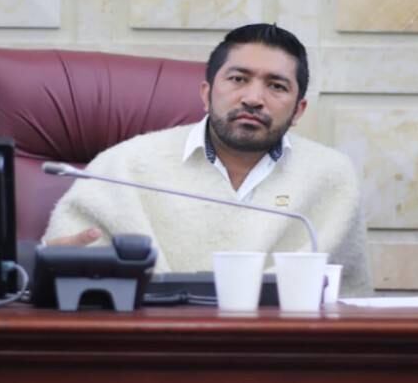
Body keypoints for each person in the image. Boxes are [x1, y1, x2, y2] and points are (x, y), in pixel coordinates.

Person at [42, 23, 372, 296]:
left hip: (280, 347)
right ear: (206, 93)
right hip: (149, 342)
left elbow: (348, 302)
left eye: (276, 86)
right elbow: (63, 272)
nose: (253, 99)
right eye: (238, 79)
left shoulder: (331, 177)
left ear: (298, 110)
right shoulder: (122, 165)